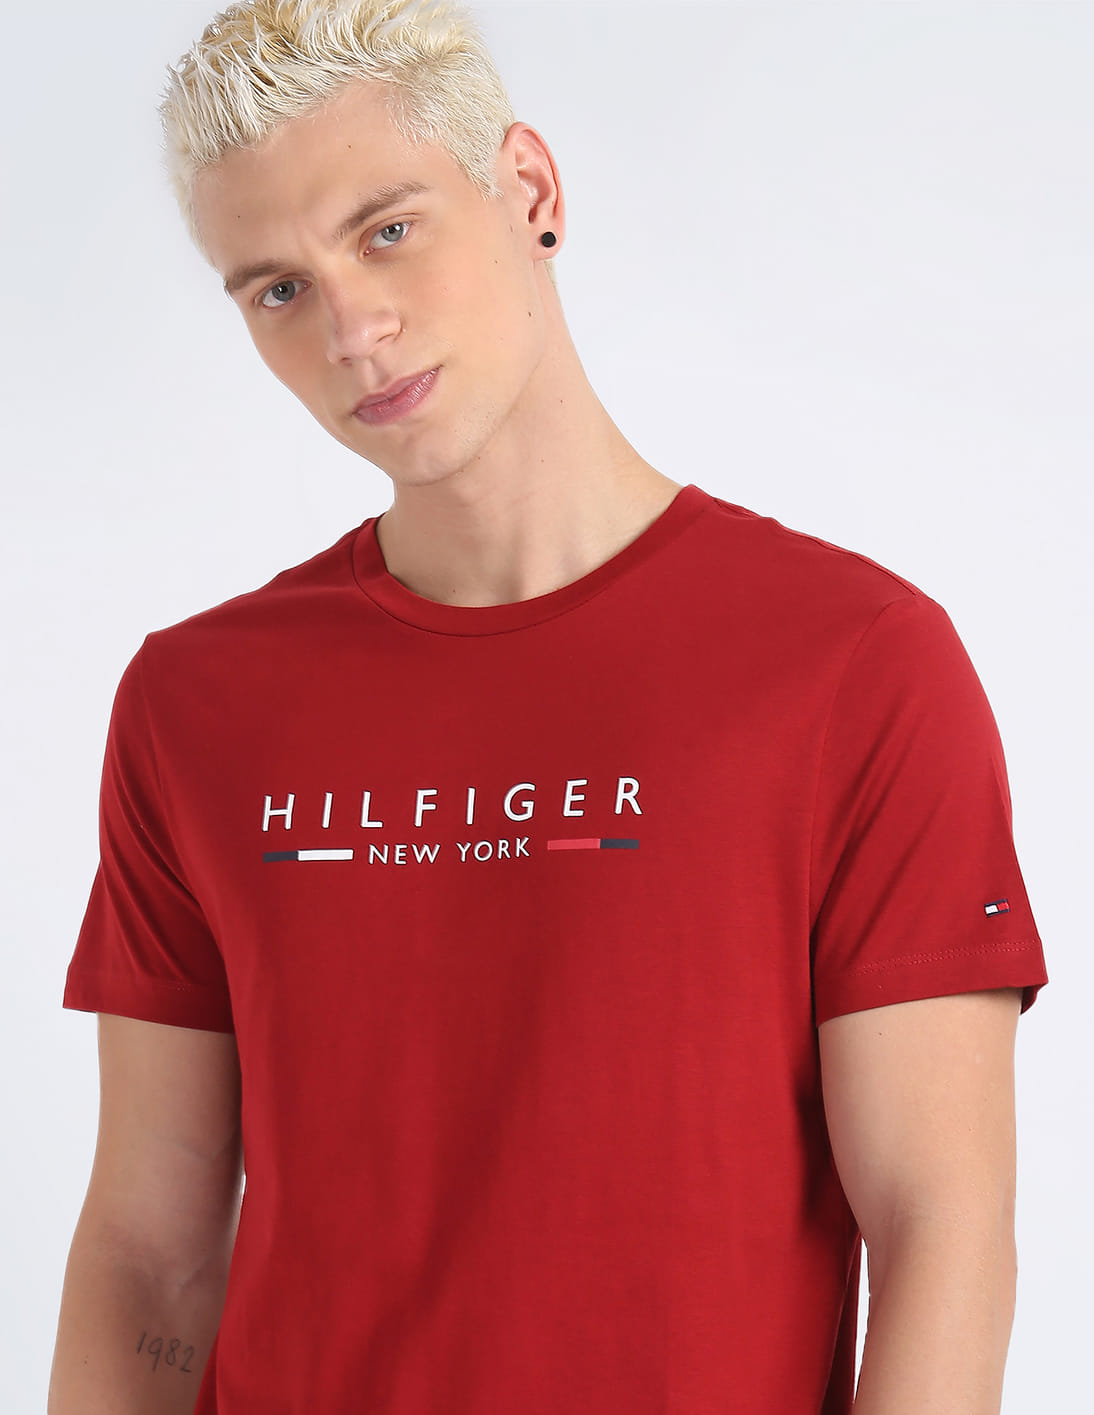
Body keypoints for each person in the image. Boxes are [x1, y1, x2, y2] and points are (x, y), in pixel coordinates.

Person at [48, 2, 1048, 1412]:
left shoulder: (853, 663)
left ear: (528, 189)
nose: (352, 327)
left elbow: (941, 1226)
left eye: (387, 230)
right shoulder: (195, 703)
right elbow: (149, 1256)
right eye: (275, 289)